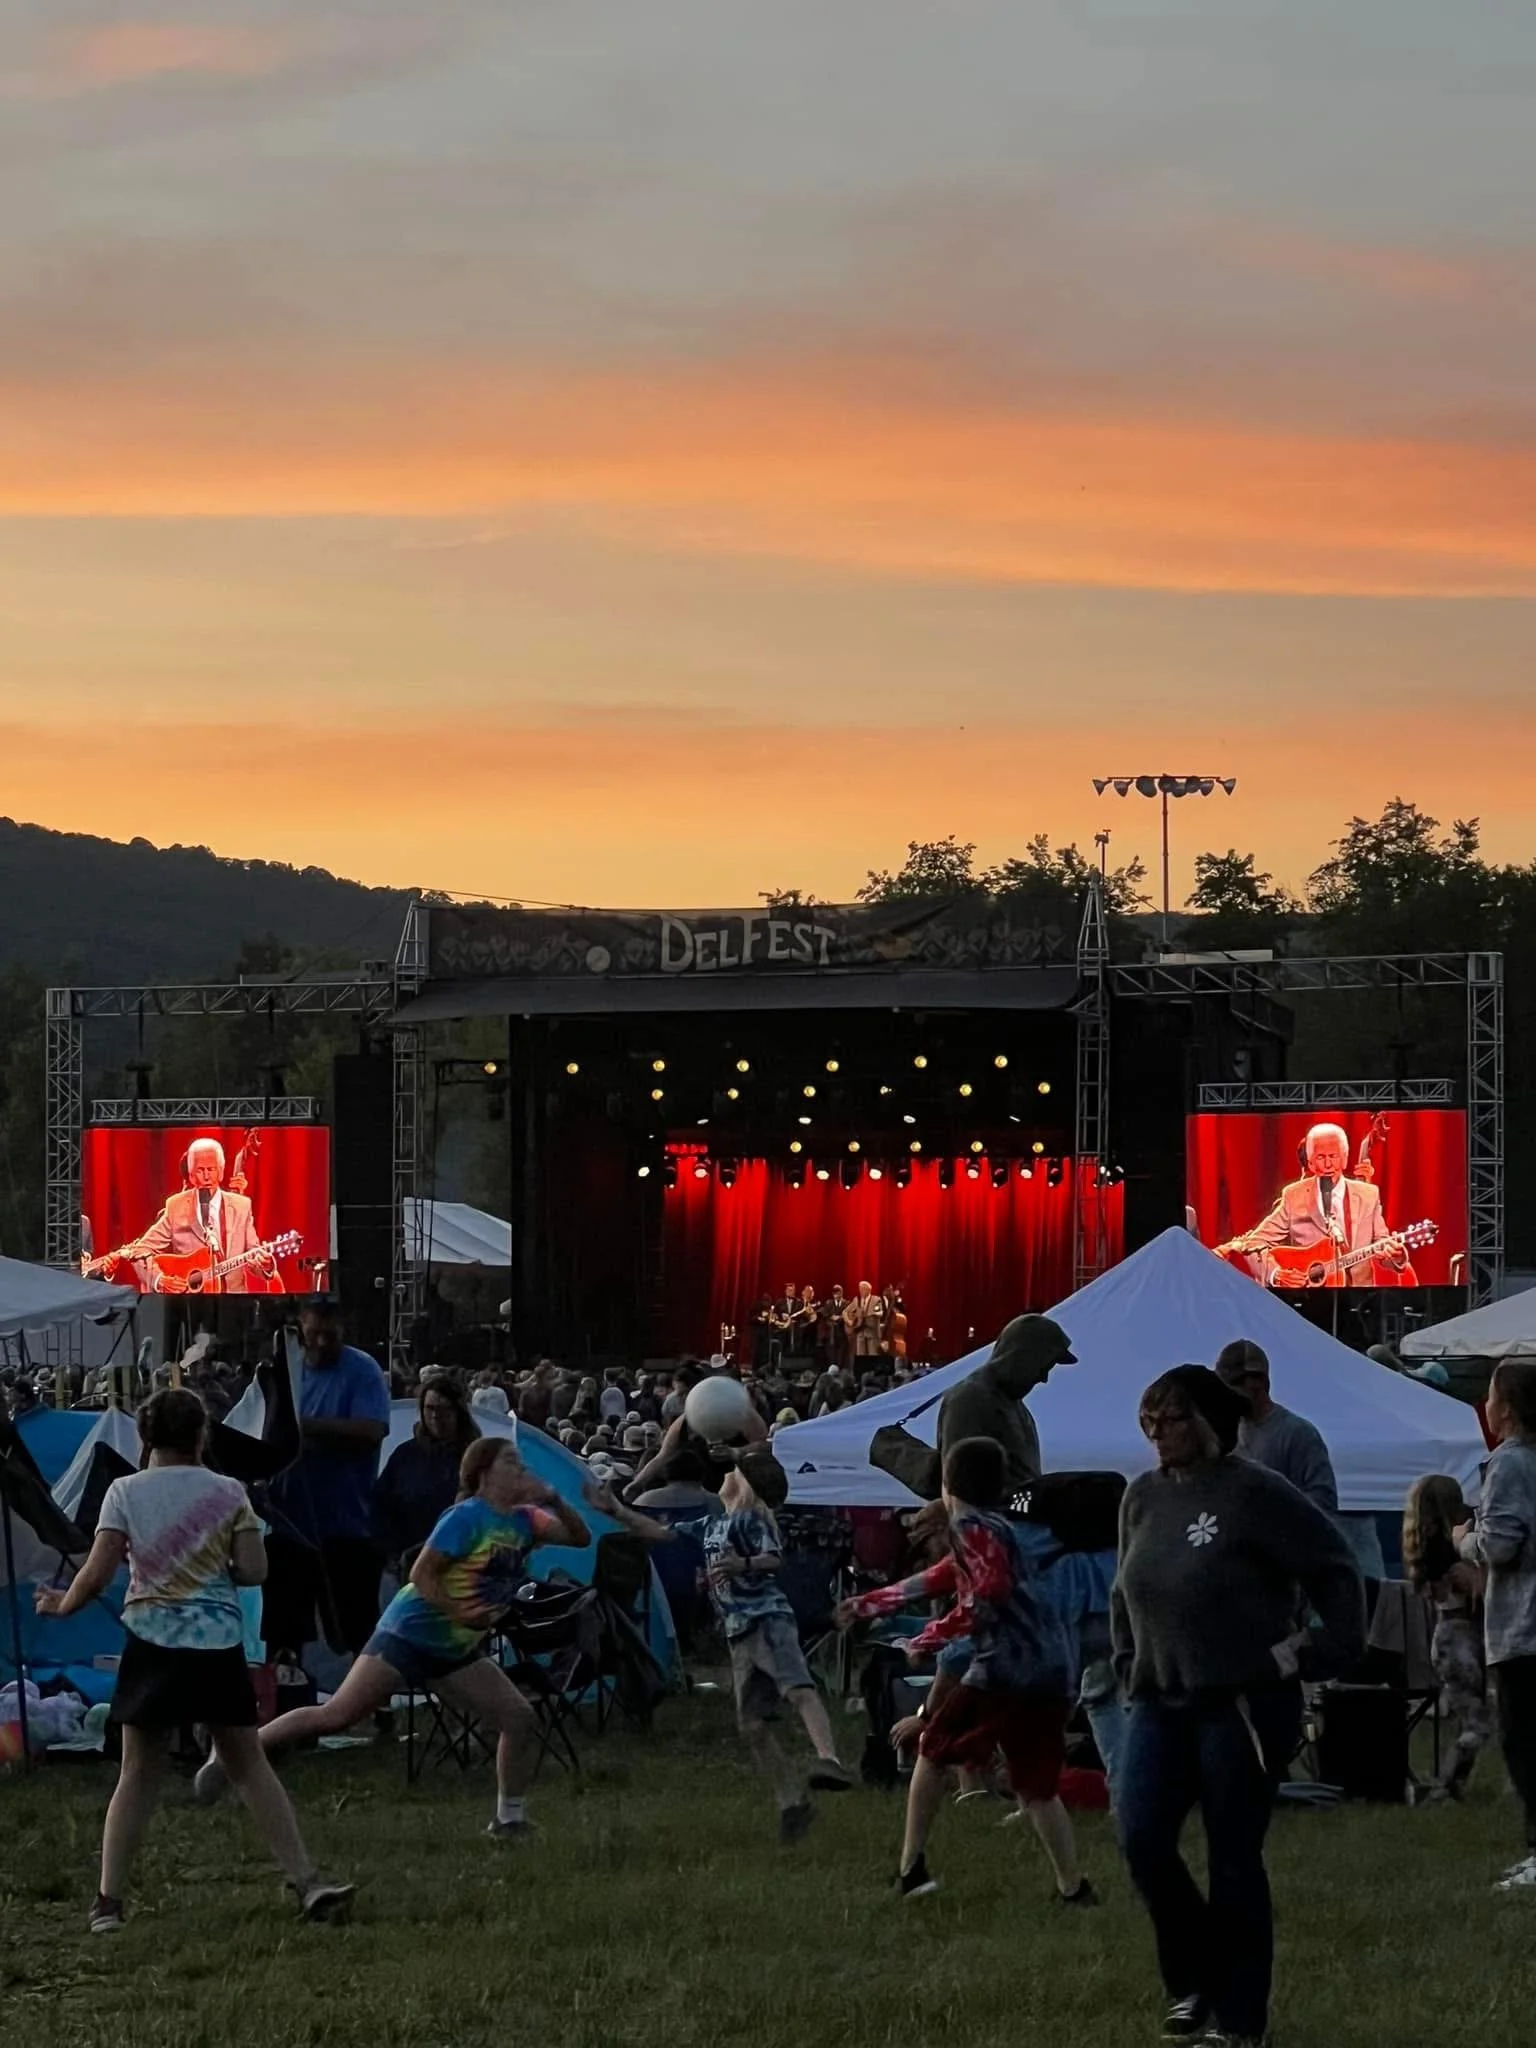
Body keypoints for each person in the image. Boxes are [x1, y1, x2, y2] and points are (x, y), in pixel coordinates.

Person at [35, 1388, 352, 1934]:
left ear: (145, 1436)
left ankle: (108, 1903)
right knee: (248, 1765)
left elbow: (98, 1570)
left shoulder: (124, 1491)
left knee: (137, 1773)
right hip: (216, 1645)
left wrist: (62, 1605)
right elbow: (254, 1570)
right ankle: (306, 1882)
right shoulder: (229, 1492)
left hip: (151, 1643)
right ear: (202, 1435)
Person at [1113, 1366, 1364, 2046]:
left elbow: (1335, 1567)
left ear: (1207, 1422)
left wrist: (1313, 1650)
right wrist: (1126, 1660)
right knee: (1141, 1837)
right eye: (1148, 1421)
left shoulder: (1257, 1493)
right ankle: (1194, 1979)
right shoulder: (1140, 1497)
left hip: (1241, 1704)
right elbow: (1123, 1591)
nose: (1157, 1434)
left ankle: (1242, 2021)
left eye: (1170, 1419)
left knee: (1233, 1857)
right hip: (1160, 1698)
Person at [200, 1438, 589, 1835]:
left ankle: (509, 1820)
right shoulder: (467, 1518)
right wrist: (460, 1613)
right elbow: (421, 1574)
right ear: (484, 1473)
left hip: (454, 1649)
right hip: (408, 1634)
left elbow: (580, 1538)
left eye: (521, 1463)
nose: (521, 1469)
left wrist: (555, 1499)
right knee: (337, 1715)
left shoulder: (526, 1520)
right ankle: (231, 1753)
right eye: (511, 1461)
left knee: (518, 1717)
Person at [838, 1436, 1093, 1906]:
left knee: (932, 1748)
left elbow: (985, 1593)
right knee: (1037, 1785)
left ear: (947, 1483)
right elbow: (943, 1576)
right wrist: (870, 1603)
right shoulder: (1003, 1526)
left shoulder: (969, 1526)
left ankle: (911, 1871)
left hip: (1005, 1669)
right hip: (1052, 1669)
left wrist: (927, 1638)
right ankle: (1074, 1889)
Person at [599, 1446, 854, 1838]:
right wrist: (616, 1510)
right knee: (750, 1725)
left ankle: (829, 1759)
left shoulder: (751, 1519)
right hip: (739, 1630)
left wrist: (741, 1565)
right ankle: (792, 1802)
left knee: (797, 1687)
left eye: (732, 1471)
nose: (723, 1475)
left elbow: (774, 1558)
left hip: (767, 1619)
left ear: (745, 1484)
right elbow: (659, 1532)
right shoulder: (712, 1523)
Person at [260, 1299, 391, 1667]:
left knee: (356, 1628)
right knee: (284, 1630)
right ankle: (285, 1692)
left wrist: (305, 1428)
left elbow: (372, 1430)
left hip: (345, 1526)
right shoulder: (288, 1370)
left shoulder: (362, 1370)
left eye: (329, 1335)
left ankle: (370, 1693)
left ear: (343, 1329)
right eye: (314, 1333)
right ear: (301, 1325)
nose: (320, 1342)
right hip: (288, 1523)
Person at [1215, 1338, 1385, 1595]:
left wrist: (1276, 1525)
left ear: (1258, 1385)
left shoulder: (1297, 1434)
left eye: (1232, 1388)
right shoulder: (1226, 1435)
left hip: (1290, 1576)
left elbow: (1323, 1501)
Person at [1455, 1357, 1536, 1888]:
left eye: (1489, 1396)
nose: (1485, 1405)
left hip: (1522, 1626)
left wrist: (1464, 1540)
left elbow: (1501, 1545)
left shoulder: (1508, 1463)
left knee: (1523, 1741)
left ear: (1505, 1409)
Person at [1216, 1121, 1409, 1287]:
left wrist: (1396, 1256)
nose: (1328, 1165)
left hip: (1360, 1298)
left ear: (1345, 1159)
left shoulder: (1369, 1194)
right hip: (1309, 1295)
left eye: (1333, 1156)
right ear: (1310, 1163)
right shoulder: (1294, 1196)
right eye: (1320, 1157)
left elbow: (1382, 1246)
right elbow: (1253, 1243)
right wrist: (1276, 1274)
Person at [1403, 1474, 1490, 1804]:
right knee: (1479, 1722)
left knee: (1472, 1719)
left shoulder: (1426, 1550)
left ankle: (1452, 1785)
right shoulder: (1451, 1555)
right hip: (1461, 1640)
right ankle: (1443, 1785)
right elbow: (1476, 1592)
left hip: (1448, 1638)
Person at [935, 1314, 1076, 1502]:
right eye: (1043, 1367)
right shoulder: (970, 1400)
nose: (1043, 1378)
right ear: (1023, 1357)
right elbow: (964, 1490)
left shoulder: (1012, 1404)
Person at [131, 1136, 277, 1295]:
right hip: (190, 1303)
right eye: (200, 1170)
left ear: (221, 1172)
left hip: (234, 1303)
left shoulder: (241, 1206)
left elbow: (253, 1255)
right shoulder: (176, 1207)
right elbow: (139, 1251)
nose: (207, 1177)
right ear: (191, 1175)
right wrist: (159, 1280)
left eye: (211, 1169)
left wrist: (265, 1265)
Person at [372, 1377, 480, 1574]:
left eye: (444, 1409)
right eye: (430, 1408)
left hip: (460, 1565)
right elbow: (380, 1504)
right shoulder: (406, 1454)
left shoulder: (477, 1456)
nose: (435, 1416)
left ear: (458, 1412)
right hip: (405, 1563)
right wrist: (391, 1551)